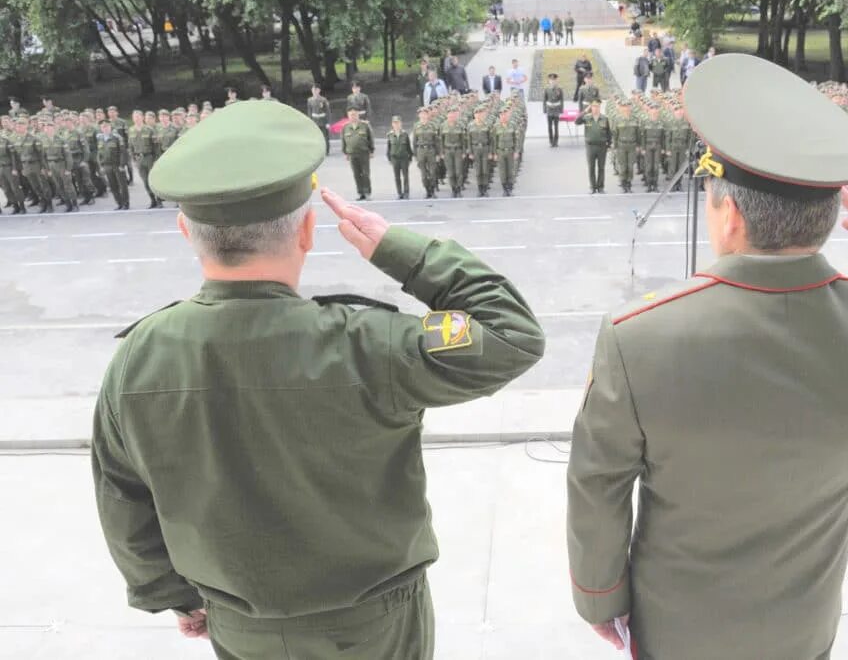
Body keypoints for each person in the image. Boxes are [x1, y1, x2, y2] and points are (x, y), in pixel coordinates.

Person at [567, 53, 848, 660]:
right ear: (835, 215)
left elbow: (598, 485)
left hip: (682, 631)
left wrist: (600, 598)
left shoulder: (639, 337)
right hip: (803, 626)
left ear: (729, 214)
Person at [95, 99, 544, 660]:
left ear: (187, 230)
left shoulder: (138, 358)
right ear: (307, 230)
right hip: (374, 622)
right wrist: (401, 251)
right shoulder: (370, 342)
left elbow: (123, 497)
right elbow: (511, 335)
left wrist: (175, 598)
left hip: (239, 621)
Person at [575, 100, 612, 194]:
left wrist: (609, 145)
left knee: (601, 167)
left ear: (600, 107)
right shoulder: (587, 117)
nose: (595, 108)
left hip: (602, 147)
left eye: (597, 106)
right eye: (594, 106)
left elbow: (609, 133)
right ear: (591, 107)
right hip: (590, 147)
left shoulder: (604, 118)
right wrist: (585, 111)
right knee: (591, 167)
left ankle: (600, 187)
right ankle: (592, 187)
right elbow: (577, 121)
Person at [128, 109, 160, 208]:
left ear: (142, 117)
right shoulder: (131, 130)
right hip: (139, 159)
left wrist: (156, 159)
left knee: (154, 180)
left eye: (138, 117)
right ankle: (152, 200)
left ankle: (159, 201)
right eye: (134, 117)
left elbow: (156, 146)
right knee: (145, 181)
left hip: (149, 157)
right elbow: (130, 146)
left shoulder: (149, 129)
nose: (136, 119)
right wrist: (133, 158)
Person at [342, 106, 374, 200]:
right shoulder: (346, 127)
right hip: (352, 154)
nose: (353, 116)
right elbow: (343, 141)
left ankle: (367, 192)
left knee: (365, 173)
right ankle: (360, 193)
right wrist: (345, 153)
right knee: (356, 174)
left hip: (363, 153)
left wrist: (371, 150)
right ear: (348, 116)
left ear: (358, 115)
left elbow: (370, 138)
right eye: (351, 114)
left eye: (355, 114)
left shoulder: (365, 125)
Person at [97, 119, 130, 210]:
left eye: (107, 126)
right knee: (112, 186)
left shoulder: (117, 137)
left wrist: (122, 165)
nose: (105, 128)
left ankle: (126, 204)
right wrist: (101, 166)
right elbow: (99, 154)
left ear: (110, 127)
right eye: (103, 127)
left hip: (117, 165)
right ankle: (119, 203)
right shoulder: (100, 138)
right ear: (101, 128)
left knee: (122, 185)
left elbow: (123, 152)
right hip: (107, 166)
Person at [491, 104, 520, 197]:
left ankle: (510, 189)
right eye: (502, 115)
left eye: (505, 114)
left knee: (510, 170)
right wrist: (494, 153)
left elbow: (516, 139)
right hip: (500, 152)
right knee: (502, 171)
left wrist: (516, 151)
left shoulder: (512, 125)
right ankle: (504, 188)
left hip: (510, 151)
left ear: (508, 115)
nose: (503, 116)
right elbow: (494, 141)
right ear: (500, 116)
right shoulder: (496, 127)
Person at [611, 100, 640, 193]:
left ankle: (629, 183)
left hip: (632, 145)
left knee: (630, 166)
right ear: (621, 108)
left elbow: (638, 134)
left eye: (628, 107)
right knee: (623, 166)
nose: (626, 109)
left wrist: (639, 145)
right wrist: (614, 147)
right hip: (621, 145)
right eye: (624, 107)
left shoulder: (635, 119)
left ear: (630, 108)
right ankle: (623, 183)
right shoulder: (617, 119)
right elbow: (615, 134)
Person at [413, 107, 441, 199]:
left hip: (431, 151)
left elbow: (437, 141)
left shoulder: (433, 126)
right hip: (420, 151)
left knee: (432, 172)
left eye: (425, 114)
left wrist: (438, 154)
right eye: (421, 114)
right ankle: (427, 191)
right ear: (419, 115)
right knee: (424, 174)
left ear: (428, 115)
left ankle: (432, 190)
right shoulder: (416, 126)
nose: (423, 116)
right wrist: (415, 155)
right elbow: (414, 141)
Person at [441, 108, 468, 197]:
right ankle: (453, 189)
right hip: (447, 151)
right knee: (451, 172)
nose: (451, 117)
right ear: (447, 116)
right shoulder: (443, 126)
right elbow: (441, 140)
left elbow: (463, 140)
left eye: (453, 116)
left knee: (458, 171)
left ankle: (459, 188)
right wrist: (442, 152)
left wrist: (464, 152)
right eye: (450, 116)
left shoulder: (460, 125)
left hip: (458, 151)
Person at [467, 105, 493, 197]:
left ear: (483, 115)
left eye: (480, 114)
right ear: (474, 115)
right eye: (477, 114)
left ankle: (485, 189)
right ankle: (479, 188)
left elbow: (491, 140)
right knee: (478, 171)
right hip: (475, 149)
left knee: (485, 170)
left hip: (485, 149)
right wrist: (470, 152)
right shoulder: (470, 125)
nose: (478, 115)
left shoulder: (488, 125)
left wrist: (490, 152)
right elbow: (468, 140)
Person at [386, 115, 412, 200]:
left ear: (401, 124)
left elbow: (408, 147)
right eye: (394, 123)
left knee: (405, 176)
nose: (396, 124)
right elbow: (389, 148)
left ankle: (406, 192)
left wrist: (410, 157)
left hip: (404, 158)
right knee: (397, 177)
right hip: (395, 158)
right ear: (392, 124)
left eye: (398, 123)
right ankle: (399, 193)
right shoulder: (389, 135)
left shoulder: (405, 134)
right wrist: (389, 158)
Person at [307, 84, 332, 155]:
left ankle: (326, 151)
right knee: (315, 137)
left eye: (316, 90)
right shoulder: (310, 100)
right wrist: (310, 121)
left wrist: (328, 122)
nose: (314, 91)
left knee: (325, 137)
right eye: (313, 90)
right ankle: (317, 151)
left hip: (323, 120)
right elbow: (309, 111)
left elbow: (328, 111)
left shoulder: (323, 100)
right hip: (315, 120)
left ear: (319, 90)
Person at [543, 73, 565, 148]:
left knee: (556, 126)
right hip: (549, 109)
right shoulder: (546, 89)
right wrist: (545, 110)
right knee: (549, 127)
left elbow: (561, 100)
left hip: (556, 110)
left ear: (556, 81)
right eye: (551, 80)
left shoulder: (559, 89)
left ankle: (556, 141)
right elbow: (544, 100)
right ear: (549, 81)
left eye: (554, 80)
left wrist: (561, 110)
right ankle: (551, 141)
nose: (552, 81)